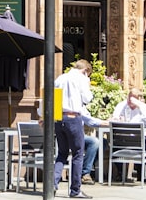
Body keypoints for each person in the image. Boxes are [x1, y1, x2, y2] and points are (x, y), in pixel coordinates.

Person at [53, 59, 94, 199]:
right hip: (73, 117)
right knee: (78, 153)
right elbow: (87, 98)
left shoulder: (60, 78)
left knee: (62, 153)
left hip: (59, 118)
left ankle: (53, 184)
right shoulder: (81, 79)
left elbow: (55, 100)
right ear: (85, 71)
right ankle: (75, 190)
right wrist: (87, 83)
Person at [111, 88, 146, 182]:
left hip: (138, 141)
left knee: (142, 143)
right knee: (115, 144)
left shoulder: (143, 108)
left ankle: (140, 174)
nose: (130, 101)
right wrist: (117, 119)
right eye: (129, 97)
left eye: (133, 98)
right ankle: (120, 173)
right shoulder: (121, 105)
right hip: (122, 140)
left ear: (139, 99)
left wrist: (140, 105)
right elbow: (115, 118)